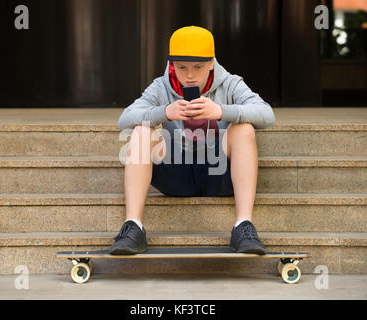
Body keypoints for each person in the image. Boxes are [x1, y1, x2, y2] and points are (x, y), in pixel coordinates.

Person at [112, 26, 275, 255]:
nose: (189, 75)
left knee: (244, 129)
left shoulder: (230, 83)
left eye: (198, 67)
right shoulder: (161, 86)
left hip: (220, 173)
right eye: (182, 67)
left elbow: (267, 114)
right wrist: (165, 112)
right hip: (176, 173)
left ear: (211, 63)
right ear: (171, 65)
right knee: (141, 131)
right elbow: (124, 119)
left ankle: (243, 227)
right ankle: (133, 227)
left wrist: (220, 111)